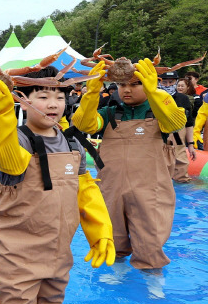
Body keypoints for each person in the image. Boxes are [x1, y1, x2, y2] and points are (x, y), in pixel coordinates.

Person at [0, 67, 114, 304]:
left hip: (59, 249)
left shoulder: (73, 144)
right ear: (22, 100)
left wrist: (101, 230)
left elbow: (85, 189)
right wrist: (2, 117)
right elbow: (11, 164)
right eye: (43, 96)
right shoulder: (17, 140)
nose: (53, 104)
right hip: (17, 252)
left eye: (60, 97)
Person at [71, 59, 186, 270]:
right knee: (113, 237)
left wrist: (155, 93)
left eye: (136, 84)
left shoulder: (158, 111)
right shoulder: (110, 113)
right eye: (123, 85)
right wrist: (91, 94)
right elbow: (83, 124)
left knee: (150, 241)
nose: (127, 90)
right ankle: (117, 271)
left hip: (150, 189)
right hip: (111, 187)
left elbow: (175, 122)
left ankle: (153, 277)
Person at [160, 71, 196, 183]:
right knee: (159, 157)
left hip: (176, 133)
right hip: (158, 133)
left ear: (176, 82)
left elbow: (189, 123)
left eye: (171, 82)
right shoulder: (152, 97)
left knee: (180, 157)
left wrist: (191, 144)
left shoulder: (183, 98)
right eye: (164, 82)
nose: (167, 85)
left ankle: (182, 182)